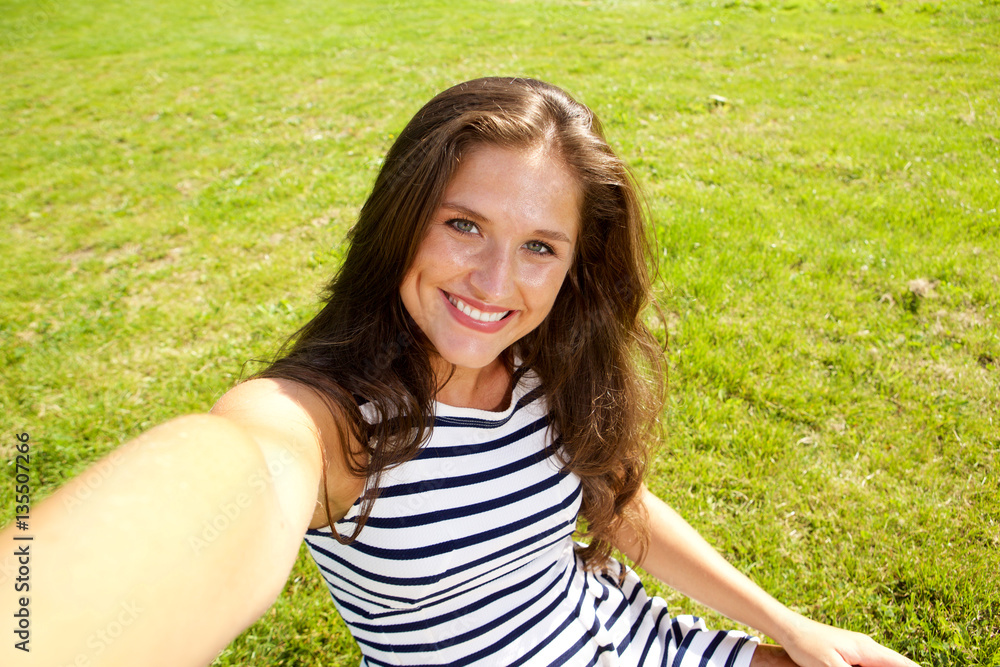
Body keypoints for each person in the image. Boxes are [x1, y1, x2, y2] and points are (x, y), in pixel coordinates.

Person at [1, 77, 918, 667]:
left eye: (539, 246)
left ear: (575, 265)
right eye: (464, 225)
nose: (492, 283)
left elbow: (616, 505)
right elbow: (232, 478)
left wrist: (786, 624)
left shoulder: (542, 364)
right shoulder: (328, 422)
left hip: (634, 643)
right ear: (403, 218)